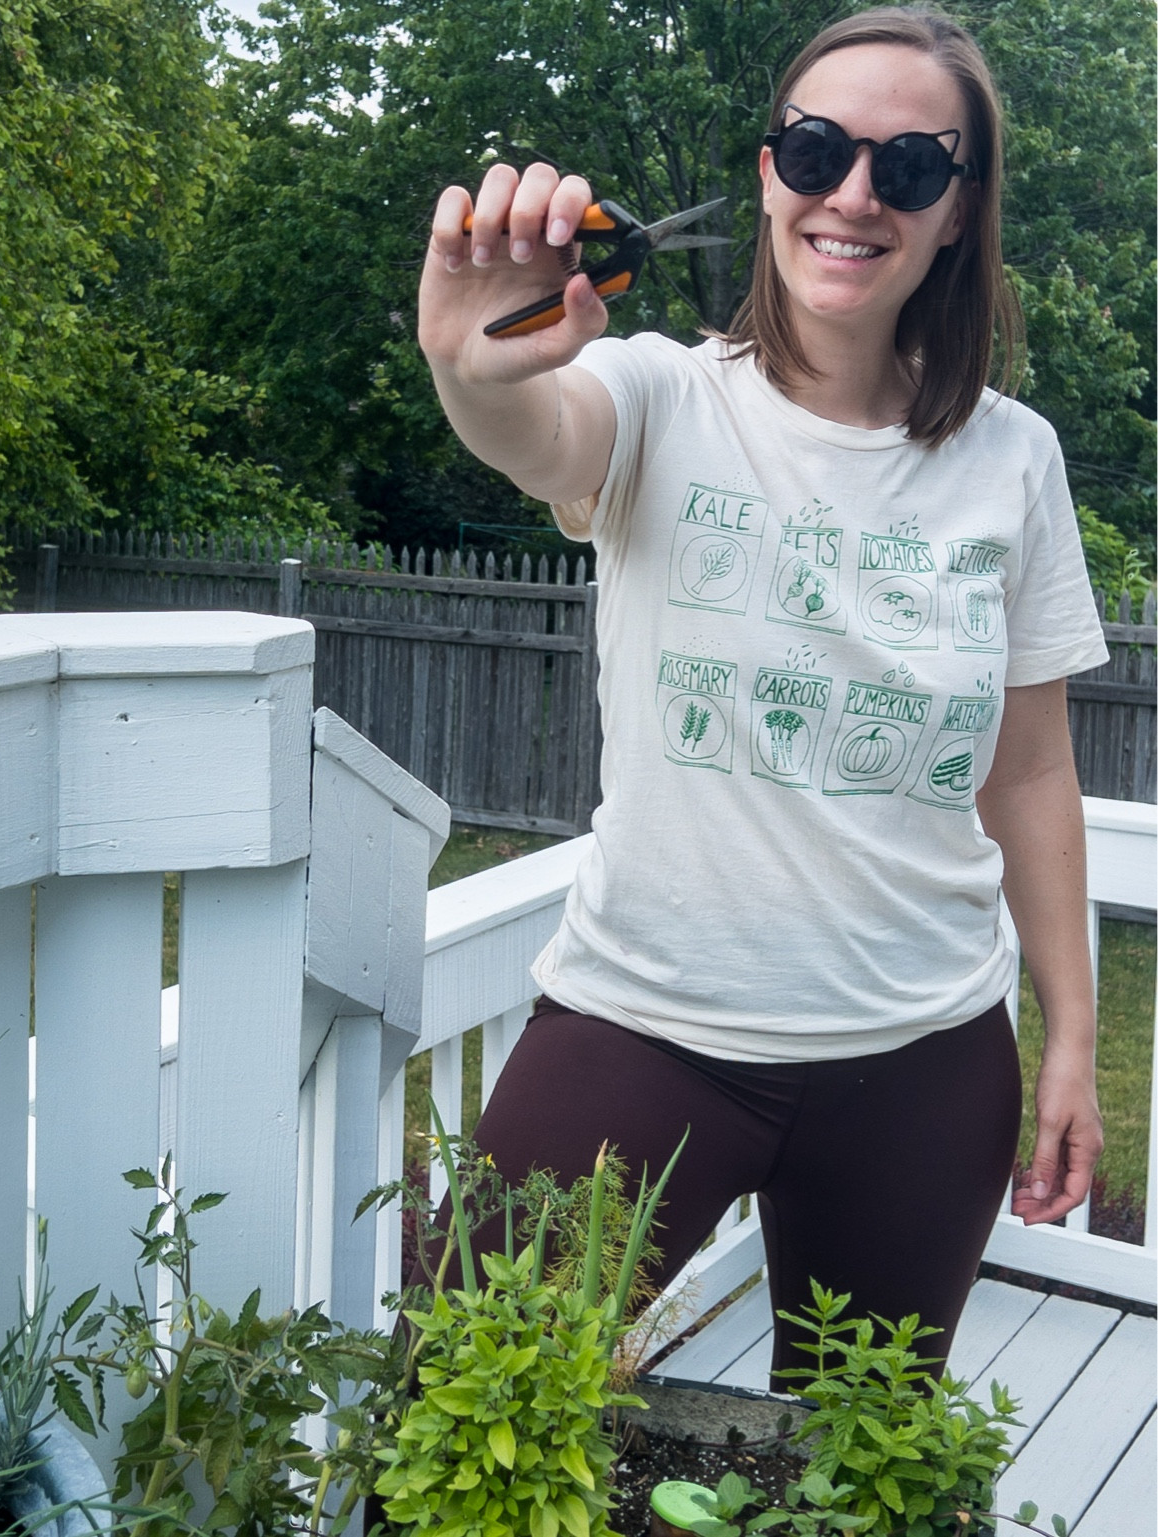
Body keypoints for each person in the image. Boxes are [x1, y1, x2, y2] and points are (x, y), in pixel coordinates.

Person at [416, 6, 1108, 1378]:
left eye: (908, 167)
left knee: (854, 1477)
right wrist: (466, 363)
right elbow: (535, 425)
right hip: (642, 1029)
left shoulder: (1012, 460)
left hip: (923, 1059)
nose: (852, 194)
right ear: (765, 169)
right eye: (814, 148)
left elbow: (1028, 770)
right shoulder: (660, 395)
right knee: (457, 1419)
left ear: (957, 211)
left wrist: (1073, 1034)